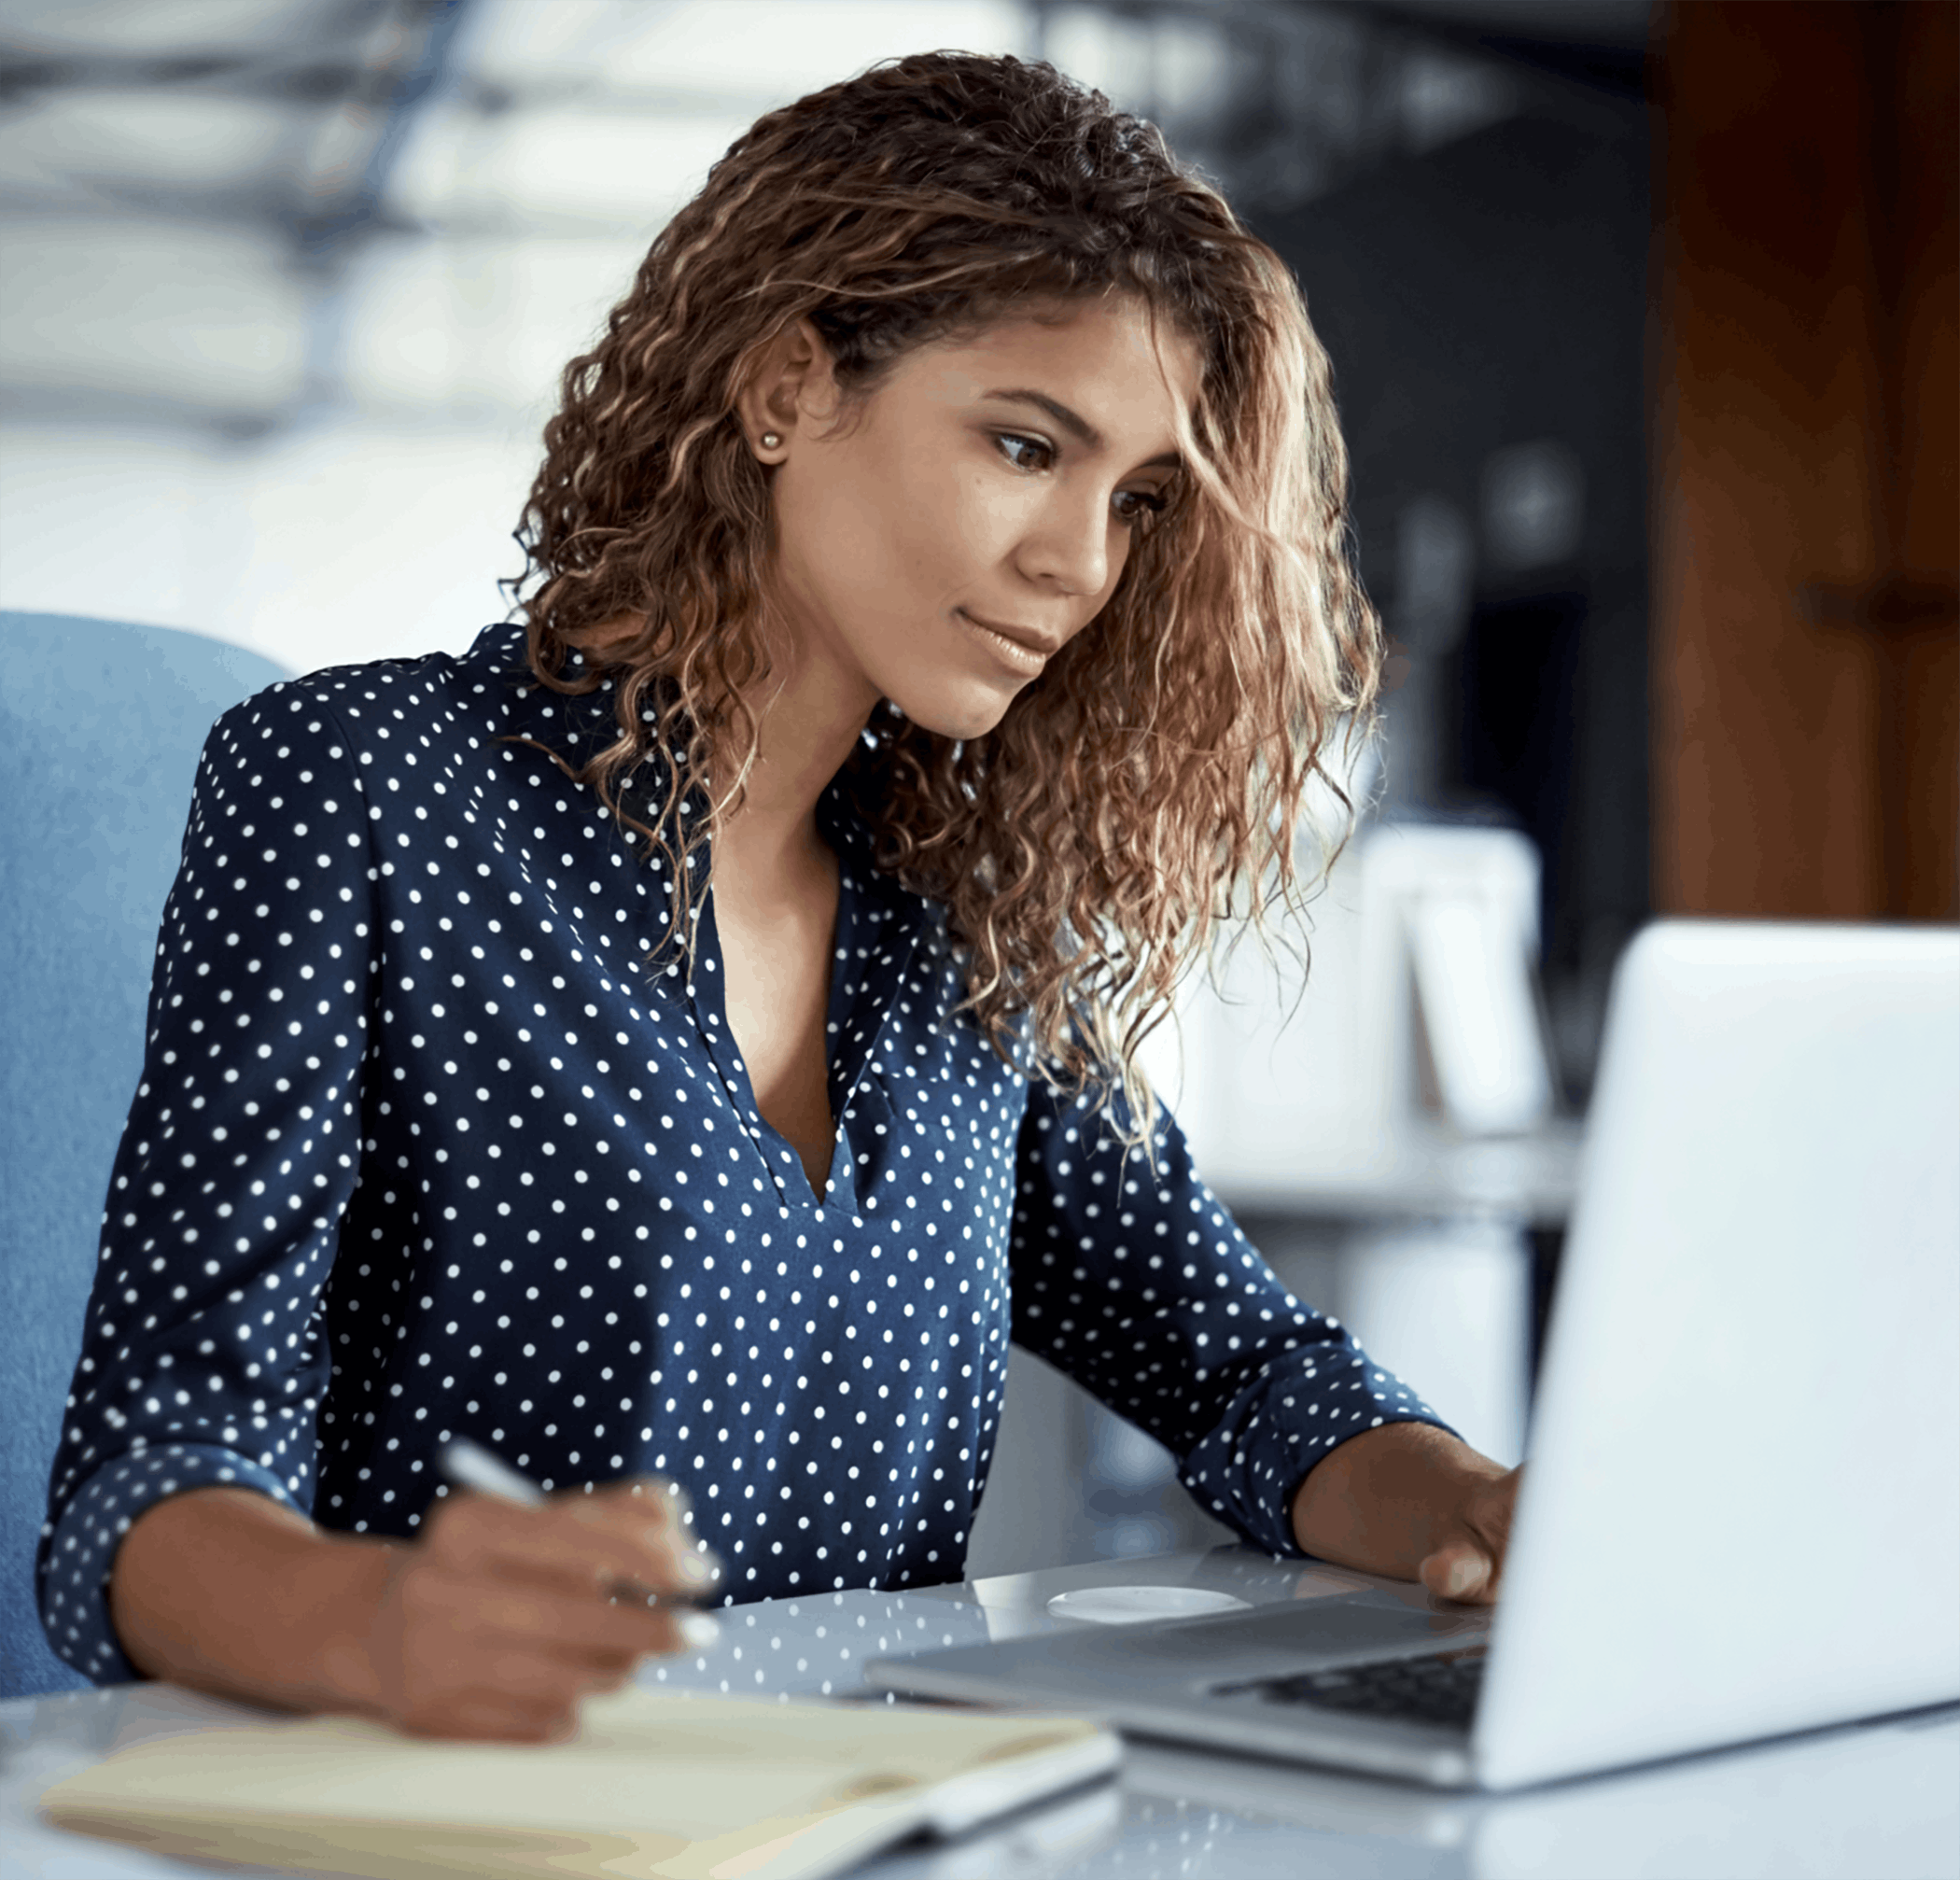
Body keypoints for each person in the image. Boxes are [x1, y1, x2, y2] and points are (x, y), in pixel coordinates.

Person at [39, 51, 1518, 1745]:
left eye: (1136, 501)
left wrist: (1478, 1505)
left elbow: (1249, 1376)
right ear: (782, 387)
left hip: (864, 1818)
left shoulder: (962, 921)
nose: (1083, 561)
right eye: (1025, 443)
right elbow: (143, 1493)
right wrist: (380, 1622)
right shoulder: (361, 785)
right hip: (451, 1824)